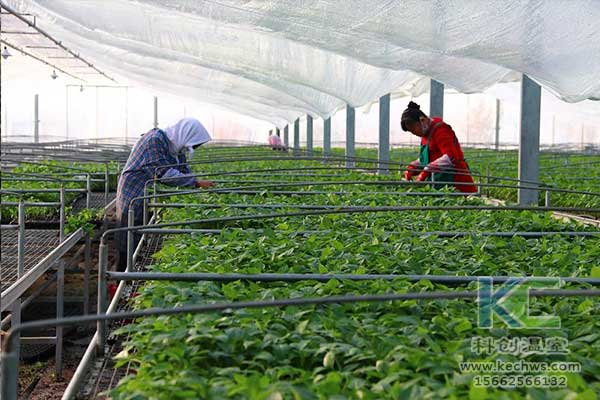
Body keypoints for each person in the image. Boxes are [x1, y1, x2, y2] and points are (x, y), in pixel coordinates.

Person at [114, 118, 215, 272]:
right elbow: (163, 173)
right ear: (186, 134)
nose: (191, 148)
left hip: (148, 194)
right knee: (129, 235)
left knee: (140, 234)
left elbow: (183, 169)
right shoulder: (154, 141)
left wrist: (196, 189)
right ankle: (120, 279)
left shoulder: (175, 146)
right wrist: (195, 183)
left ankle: (133, 272)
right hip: (133, 192)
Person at [400, 101, 477, 193]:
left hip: (455, 180)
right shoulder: (425, 135)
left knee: (462, 203)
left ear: (422, 120)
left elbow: (450, 156)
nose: (414, 133)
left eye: (414, 129)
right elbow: (426, 158)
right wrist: (413, 166)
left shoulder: (441, 129)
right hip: (439, 180)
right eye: (411, 132)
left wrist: (427, 170)